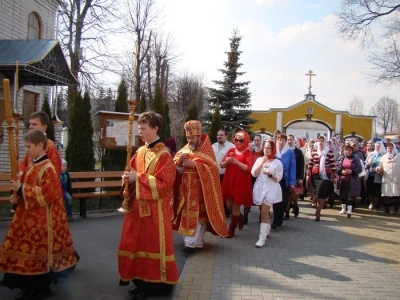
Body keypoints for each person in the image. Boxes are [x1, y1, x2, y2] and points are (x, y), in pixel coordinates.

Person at [0, 130, 77, 300]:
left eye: (29, 147)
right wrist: (17, 195)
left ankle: (40, 288)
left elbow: (49, 194)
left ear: (40, 146)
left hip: (41, 222)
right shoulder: (33, 165)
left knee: (37, 255)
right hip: (27, 218)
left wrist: (22, 189)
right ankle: (27, 286)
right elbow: (26, 187)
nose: (26, 150)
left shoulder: (47, 168)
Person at [118, 112, 179, 300]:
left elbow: (165, 184)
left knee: (152, 245)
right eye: (139, 128)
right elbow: (131, 172)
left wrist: (139, 178)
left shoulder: (164, 155)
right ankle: (140, 281)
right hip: (137, 209)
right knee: (135, 244)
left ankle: (154, 286)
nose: (140, 132)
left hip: (155, 212)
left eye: (143, 128)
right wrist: (127, 179)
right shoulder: (140, 151)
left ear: (155, 128)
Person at [173, 120, 228, 253]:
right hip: (185, 190)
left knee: (198, 216)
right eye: (188, 138)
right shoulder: (185, 149)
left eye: (192, 137)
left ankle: (191, 244)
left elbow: (213, 170)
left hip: (201, 191)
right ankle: (193, 243)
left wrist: (196, 165)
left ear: (198, 136)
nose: (190, 140)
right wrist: (179, 162)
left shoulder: (206, 149)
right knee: (186, 215)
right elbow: (176, 166)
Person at [221, 130, 254, 237]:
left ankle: (231, 229)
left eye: (241, 140)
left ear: (246, 141)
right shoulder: (231, 150)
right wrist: (226, 162)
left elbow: (248, 168)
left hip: (241, 183)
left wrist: (236, 162)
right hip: (229, 181)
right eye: (237, 140)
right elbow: (221, 164)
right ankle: (239, 217)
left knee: (235, 207)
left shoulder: (248, 152)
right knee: (228, 205)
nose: (238, 142)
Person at [251, 140, 283, 248]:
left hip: (271, 187)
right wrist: (261, 162)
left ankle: (262, 238)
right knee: (262, 211)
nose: (266, 150)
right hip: (260, 187)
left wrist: (270, 175)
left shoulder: (277, 163)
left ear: (273, 149)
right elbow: (254, 173)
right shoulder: (260, 159)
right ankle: (267, 228)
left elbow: (279, 178)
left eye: (269, 148)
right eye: (265, 148)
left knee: (265, 211)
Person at [19, 111, 62, 177]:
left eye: (34, 124)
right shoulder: (31, 144)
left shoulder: (49, 146)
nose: (31, 127)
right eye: (30, 124)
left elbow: (54, 172)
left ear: (44, 127)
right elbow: (24, 165)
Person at [307, 135, 337, 221]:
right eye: (319, 140)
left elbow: (332, 165)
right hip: (315, 175)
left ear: (325, 142)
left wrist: (334, 176)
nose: (320, 142)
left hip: (325, 176)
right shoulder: (314, 151)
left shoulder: (329, 152)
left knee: (321, 194)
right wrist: (308, 174)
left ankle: (318, 211)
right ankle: (317, 208)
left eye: (322, 141)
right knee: (316, 194)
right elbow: (310, 163)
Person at [272, 133, 296, 229]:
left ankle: (279, 219)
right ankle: (275, 220)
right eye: (279, 140)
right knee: (275, 200)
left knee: (283, 201)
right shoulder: (274, 151)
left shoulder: (290, 152)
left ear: (286, 141)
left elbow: (292, 168)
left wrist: (292, 182)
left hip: (284, 179)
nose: (281, 142)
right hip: (274, 179)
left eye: (283, 140)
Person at [212, 129, 235, 217]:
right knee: (216, 193)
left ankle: (226, 211)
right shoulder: (213, 146)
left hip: (225, 175)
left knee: (224, 194)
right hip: (214, 174)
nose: (219, 137)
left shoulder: (231, 147)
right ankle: (216, 211)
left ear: (226, 136)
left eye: (221, 135)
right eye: (218, 135)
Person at [336, 145, 362, 217]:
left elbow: (359, 168)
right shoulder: (341, 158)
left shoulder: (356, 159)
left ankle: (349, 210)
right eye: (346, 150)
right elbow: (337, 167)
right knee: (343, 194)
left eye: (350, 150)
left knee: (351, 195)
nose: (348, 152)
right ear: (344, 151)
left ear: (352, 151)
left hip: (352, 180)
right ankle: (343, 208)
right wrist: (341, 171)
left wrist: (352, 171)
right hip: (343, 179)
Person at [376, 142, 400, 215]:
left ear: (394, 148)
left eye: (391, 148)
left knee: (397, 196)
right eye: (388, 148)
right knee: (386, 196)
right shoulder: (383, 157)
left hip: (397, 179)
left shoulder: (399, 156)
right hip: (387, 179)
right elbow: (379, 166)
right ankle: (387, 210)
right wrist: (378, 169)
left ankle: (396, 209)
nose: (389, 149)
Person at [245, 133, 264, 224]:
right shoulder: (251, 151)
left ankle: (261, 217)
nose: (256, 142)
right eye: (255, 140)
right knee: (248, 195)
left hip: (260, 177)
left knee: (260, 196)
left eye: (258, 140)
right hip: (250, 176)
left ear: (261, 141)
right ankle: (245, 217)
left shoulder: (264, 152)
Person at [286, 134, 304, 218]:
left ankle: (296, 206)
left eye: (291, 140)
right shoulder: (285, 151)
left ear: (294, 141)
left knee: (293, 196)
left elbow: (301, 165)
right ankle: (286, 213)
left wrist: (301, 177)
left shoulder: (298, 152)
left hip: (295, 176)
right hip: (287, 176)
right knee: (287, 196)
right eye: (288, 140)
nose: (289, 141)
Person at [365, 141, 385, 212]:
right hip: (370, 175)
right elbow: (366, 164)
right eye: (376, 146)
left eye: (378, 146)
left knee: (376, 191)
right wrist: (368, 165)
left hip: (378, 176)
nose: (377, 148)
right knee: (370, 191)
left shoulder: (383, 155)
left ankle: (375, 206)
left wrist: (379, 168)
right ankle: (371, 203)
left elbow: (384, 165)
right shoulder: (371, 154)